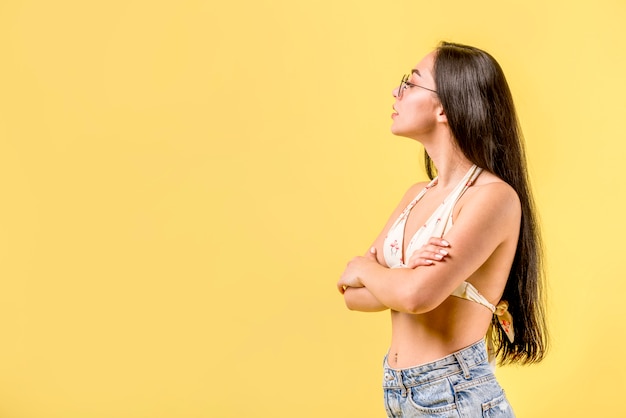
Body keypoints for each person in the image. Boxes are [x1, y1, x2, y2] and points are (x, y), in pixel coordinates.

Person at [337, 42, 548, 417]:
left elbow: (416, 297)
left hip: (454, 396)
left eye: (412, 83)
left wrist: (367, 269)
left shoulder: (493, 198)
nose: (396, 92)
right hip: (400, 395)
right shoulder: (418, 195)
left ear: (445, 107)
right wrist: (403, 279)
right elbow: (353, 296)